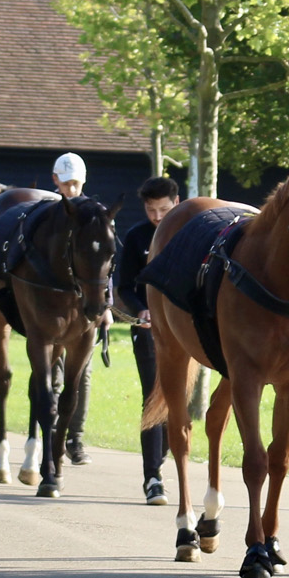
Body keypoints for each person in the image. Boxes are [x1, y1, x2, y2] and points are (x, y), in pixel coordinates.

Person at [114, 176, 179, 505]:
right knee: (153, 398)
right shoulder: (136, 236)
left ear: (176, 203)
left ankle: (165, 460)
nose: (157, 217)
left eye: (164, 209)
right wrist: (140, 309)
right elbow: (124, 285)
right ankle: (152, 477)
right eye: (152, 210)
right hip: (147, 330)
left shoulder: (188, 233)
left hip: (185, 333)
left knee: (176, 400)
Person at [50, 152, 94, 465]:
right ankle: (52, 432)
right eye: (66, 183)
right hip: (51, 308)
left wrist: (103, 305)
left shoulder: (95, 213)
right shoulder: (46, 212)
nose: (71, 189)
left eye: (76, 183)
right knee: (52, 372)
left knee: (82, 375)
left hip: (83, 308)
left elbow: (105, 262)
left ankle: (75, 439)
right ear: (56, 181)